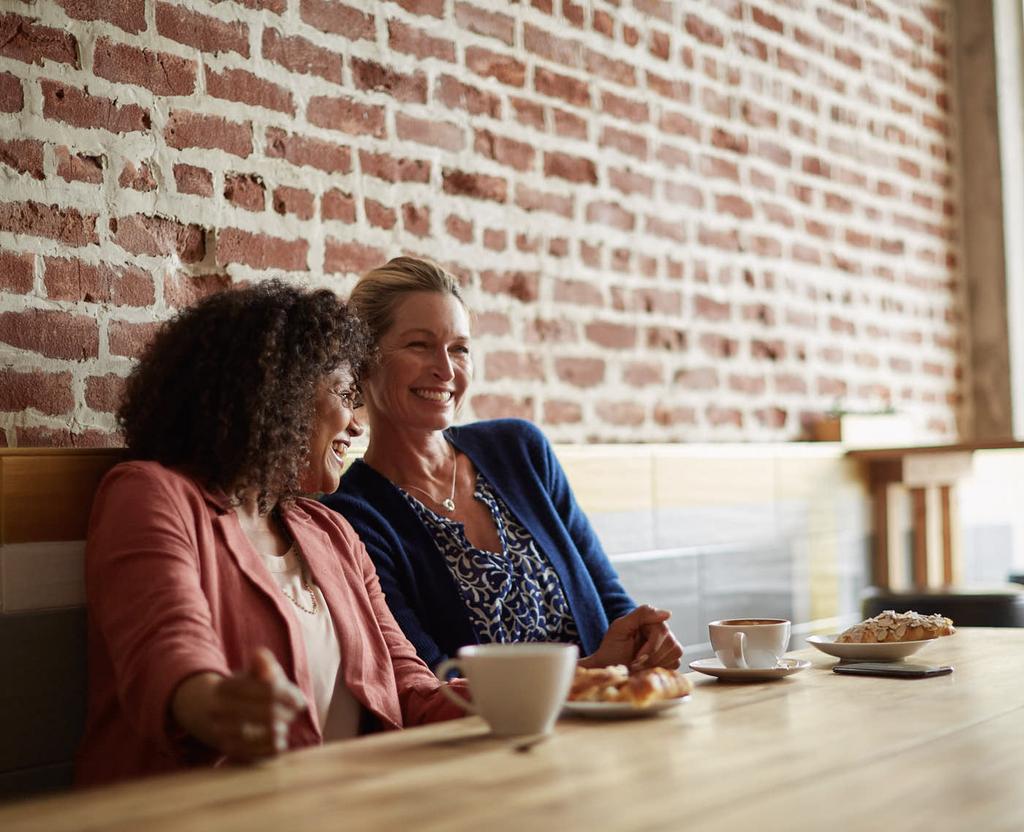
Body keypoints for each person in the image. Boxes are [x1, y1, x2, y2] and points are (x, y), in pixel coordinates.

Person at [76, 281, 463, 787]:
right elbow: (167, 654)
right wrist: (217, 704)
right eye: (347, 395)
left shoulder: (332, 531)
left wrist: (503, 694)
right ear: (281, 391)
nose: (357, 423)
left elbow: (407, 682)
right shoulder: (151, 494)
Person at [322, 257, 683, 673]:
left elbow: (606, 596)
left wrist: (644, 637)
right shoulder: (354, 515)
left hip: (609, 716)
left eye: (459, 348)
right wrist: (590, 671)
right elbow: (431, 678)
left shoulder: (520, 450)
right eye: (419, 345)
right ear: (365, 360)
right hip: (492, 736)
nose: (445, 369)